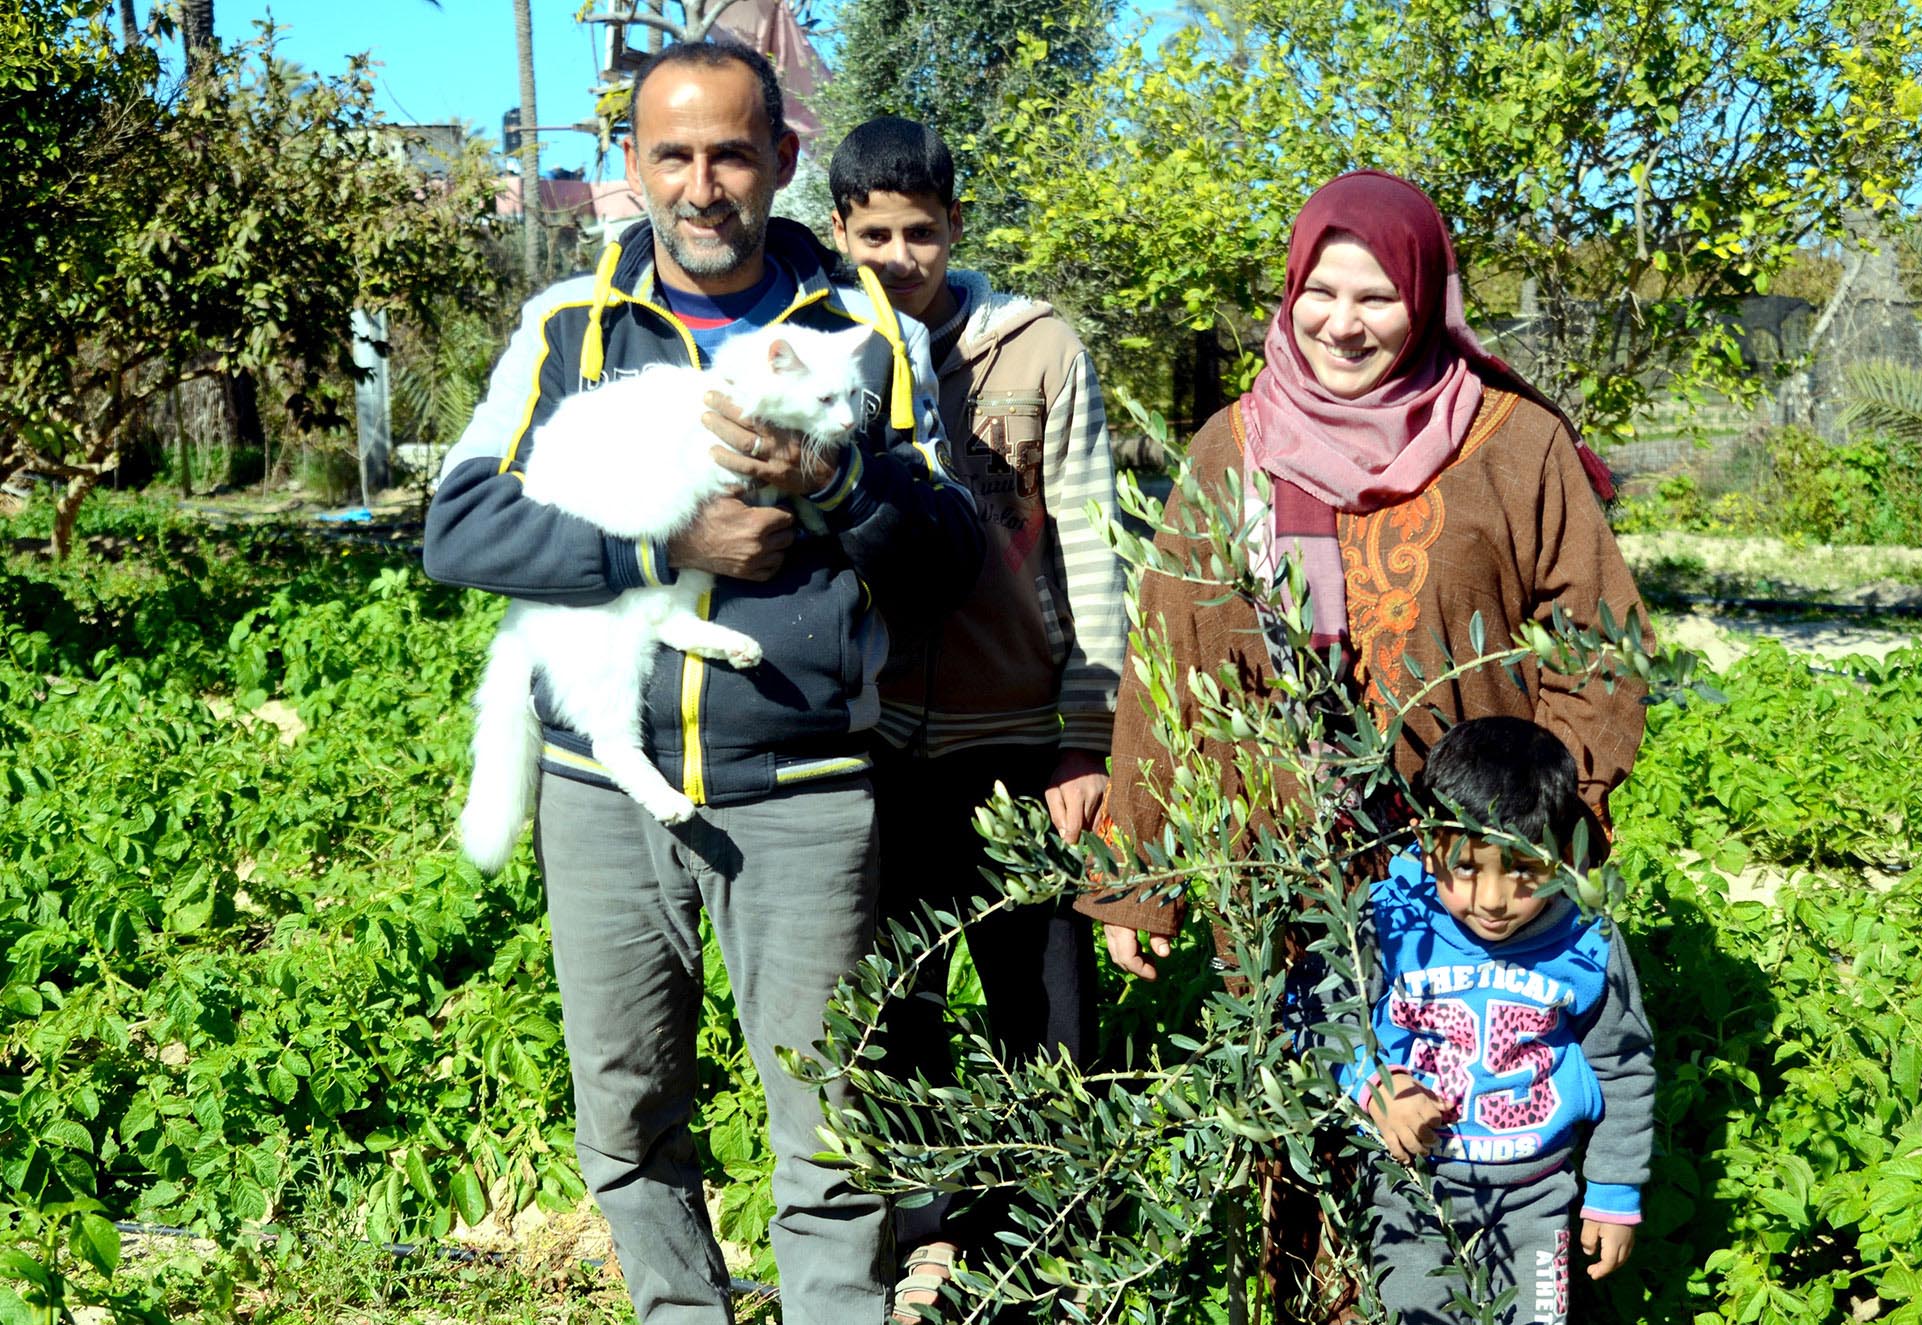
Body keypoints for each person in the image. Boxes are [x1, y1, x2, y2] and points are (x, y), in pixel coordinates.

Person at [422, 40, 982, 1325]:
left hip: (801, 787)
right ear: (630, 168)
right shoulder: (567, 327)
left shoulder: (863, 332)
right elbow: (458, 527)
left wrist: (832, 487)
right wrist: (657, 545)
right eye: (671, 153)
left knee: (832, 1134)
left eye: (731, 151)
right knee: (624, 1119)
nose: (702, 182)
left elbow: (948, 558)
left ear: (783, 160)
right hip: (599, 794)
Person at [1072, 170, 1652, 1321]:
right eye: (1319, 293)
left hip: (1465, 882)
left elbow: (1601, 638)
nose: (1343, 321)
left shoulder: (1507, 441)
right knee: (1307, 1140)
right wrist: (1136, 879)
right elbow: (1167, 662)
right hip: (1283, 876)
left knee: (1477, 1129)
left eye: (1376, 296)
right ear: (1288, 296)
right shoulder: (1229, 449)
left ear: (1426, 299)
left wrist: (1539, 822)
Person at [823, 115, 1124, 1320]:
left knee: (1042, 1006)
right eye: (872, 234)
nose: (897, 255)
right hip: (880, 733)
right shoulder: (820, 343)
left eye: (919, 231)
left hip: (1012, 733)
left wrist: (1085, 730)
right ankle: (931, 1234)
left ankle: (1051, 1228)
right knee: (897, 1003)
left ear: (955, 225)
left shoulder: (1037, 347)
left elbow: (1094, 540)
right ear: (839, 233)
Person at [1335, 716, 1653, 1324]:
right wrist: (1378, 1087)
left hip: (1536, 1198)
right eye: (1467, 868)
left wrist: (1614, 1195)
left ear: (1563, 856)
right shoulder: (1390, 921)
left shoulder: (1588, 941)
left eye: (1522, 870)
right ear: (1429, 849)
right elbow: (1325, 1017)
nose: (1492, 899)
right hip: (1414, 1194)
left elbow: (1624, 1065)